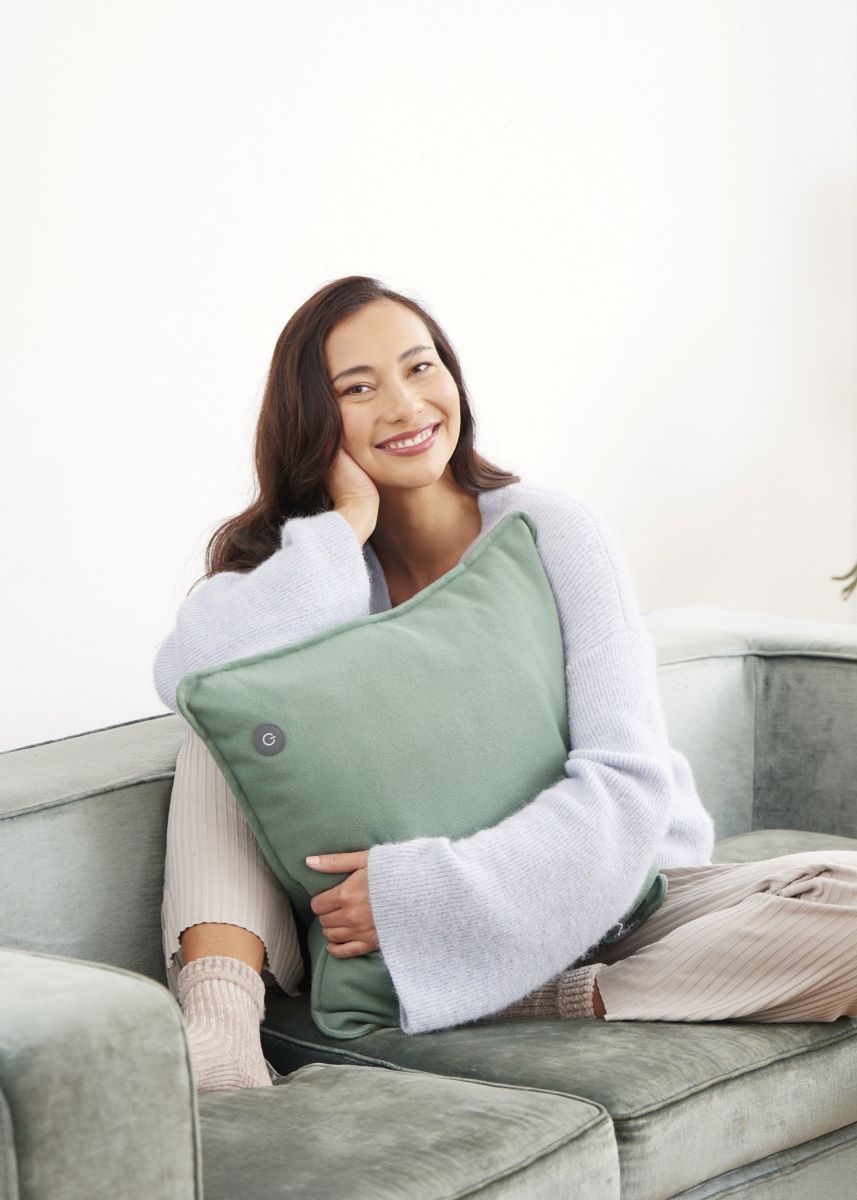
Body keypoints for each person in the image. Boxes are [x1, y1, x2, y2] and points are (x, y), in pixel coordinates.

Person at [154, 275, 857, 1094]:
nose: (404, 406)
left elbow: (626, 784)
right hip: (367, 941)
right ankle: (219, 1028)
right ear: (313, 421)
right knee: (219, 727)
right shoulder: (307, 575)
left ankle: (531, 993)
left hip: (612, 901)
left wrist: (424, 900)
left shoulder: (550, 530)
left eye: (421, 368)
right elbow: (187, 675)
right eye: (358, 388)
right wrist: (340, 536)